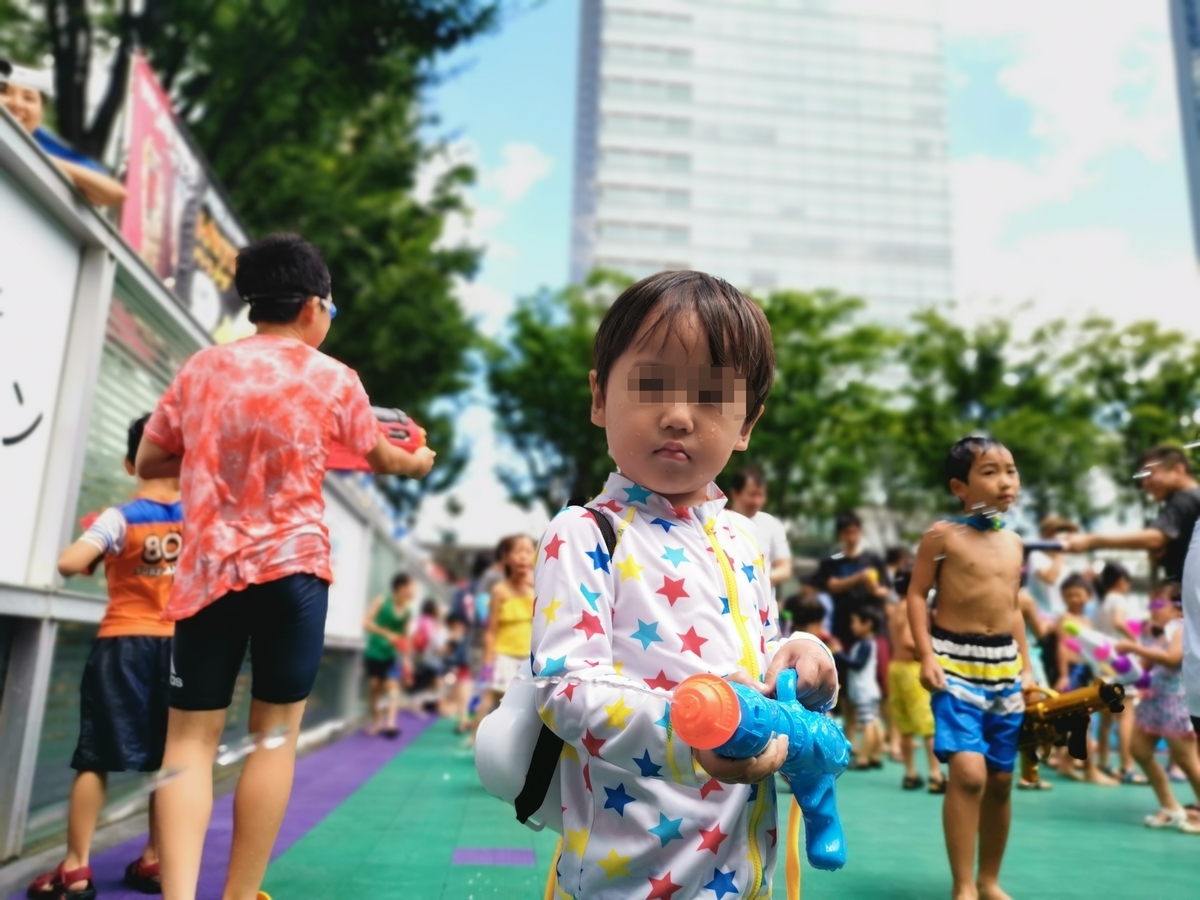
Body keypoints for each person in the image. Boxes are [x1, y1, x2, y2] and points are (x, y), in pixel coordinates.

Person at [136, 234, 436, 900]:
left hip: (210, 570)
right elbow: (383, 456)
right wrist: (418, 460)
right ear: (312, 307)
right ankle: (241, 895)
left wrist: (215, 452)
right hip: (294, 570)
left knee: (188, 740)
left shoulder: (204, 368)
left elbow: (149, 463)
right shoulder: (334, 378)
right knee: (274, 740)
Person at [529, 270, 837, 899]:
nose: (676, 415)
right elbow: (565, 687)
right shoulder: (587, 534)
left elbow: (762, 670)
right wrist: (693, 734)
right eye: (650, 386)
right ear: (598, 397)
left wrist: (805, 665)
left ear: (746, 422)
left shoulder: (742, 542)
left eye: (709, 397)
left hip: (743, 869)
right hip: (626, 875)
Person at [26, 415, 179, 899]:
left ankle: (75, 868)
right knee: (170, 761)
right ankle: (156, 860)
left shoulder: (120, 517)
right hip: (181, 651)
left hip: (124, 646)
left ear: (131, 463)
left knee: (95, 757)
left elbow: (69, 563)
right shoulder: (199, 520)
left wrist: (102, 548)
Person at [907, 436, 1035, 900]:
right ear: (959, 486)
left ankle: (988, 880)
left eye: (1011, 470)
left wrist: (1027, 666)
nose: (1006, 481)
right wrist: (925, 654)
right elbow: (917, 595)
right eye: (991, 471)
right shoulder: (942, 536)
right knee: (969, 773)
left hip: (1004, 665)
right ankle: (963, 884)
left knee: (1001, 779)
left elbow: (1013, 607)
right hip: (954, 663)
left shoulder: (1015, 543)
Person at [1116, 584, 1200, 832]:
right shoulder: (1158, 633)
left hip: (1176, 702)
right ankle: (1169, 807)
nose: (1151, 610)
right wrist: (1116, 662)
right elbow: (1143, 668)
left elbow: (1173, 659)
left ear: (1178, 609)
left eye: (1157, 604)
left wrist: (1132, 647)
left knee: (1187, 761)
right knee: (1139, 750)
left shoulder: (1182, 628)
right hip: (1155, 701)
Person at [0, 59, 127, 206]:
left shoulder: (44, 147)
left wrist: (34, 157)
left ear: (41, 114)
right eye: (3, 91)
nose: (17, 103)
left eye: (29, 98)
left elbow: (114, 193)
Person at [1052, 574, 1118, 786]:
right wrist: (1063, 675)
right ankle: (1090, 770)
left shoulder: (1086, 620)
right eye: (1068, 595)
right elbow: (1061, 646)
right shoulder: (1065, 619)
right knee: (1082, 722)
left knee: (1079, 721)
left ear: (1087, 596)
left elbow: (1091, 649)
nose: (1073, 599)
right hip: (1071, 672)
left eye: (1078, 594)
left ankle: (1066, 763)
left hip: (1083, 671)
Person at [473, 533, 537, 732]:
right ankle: (478, 742)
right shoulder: (499, 591)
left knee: (529, 709)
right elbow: (490, 631)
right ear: (507, 557)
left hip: (529, 661)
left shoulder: (538, 588)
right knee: (489, 703)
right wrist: (487, 664)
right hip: (503, 657)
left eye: (528, 551)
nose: (523, 557)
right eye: (518, 551)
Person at [888, 591, 944, 793]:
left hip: (896, 667)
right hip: (911, 669)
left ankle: (911, 773)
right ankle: (935, 774)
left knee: (906, 725)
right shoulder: (911, 606)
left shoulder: (896, 608)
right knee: (928, 725)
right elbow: (907, 639)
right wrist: (931, 649)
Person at [1093, 562, 1142, 782]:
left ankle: (1104, 762)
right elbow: (1118, 622)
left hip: (1103, 662)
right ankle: (1127, 766)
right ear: (1122, 581)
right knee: (1126, 716)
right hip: (1120, 661)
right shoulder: (1118, 599)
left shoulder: (1101, 603)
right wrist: (1136, 641)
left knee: (1106, 716)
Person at [362, 573, 415, 738]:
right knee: (374, 688)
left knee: (393, 687)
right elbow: (366, 623)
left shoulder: (407, 611)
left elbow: (405, 638)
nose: (413, 591)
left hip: (391, 655)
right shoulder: (382, 601)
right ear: (401, 587)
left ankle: (391, 723)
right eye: (411, 587)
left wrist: (407, 661)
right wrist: (386, 634)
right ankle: (377, 721)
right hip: (375, 652)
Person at [725, 465, 793, 594]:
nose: (757, 501)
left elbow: (785, 569)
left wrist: (751, 578)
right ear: (735, 493)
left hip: (765, 609)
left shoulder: (772, 524)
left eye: (761, 495)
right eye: (752, 494)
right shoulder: (718, 522)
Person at [837, 608, 883, 770]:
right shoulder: (866, 643)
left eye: (855, 622)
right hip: (866, 690)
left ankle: (864, 757)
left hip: (864, 691)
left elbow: (857, 664)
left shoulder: (866, 644)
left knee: (868, 723)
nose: (852, 626)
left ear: (868, 624)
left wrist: (839, 654)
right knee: (874, 722)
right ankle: (875, 754)